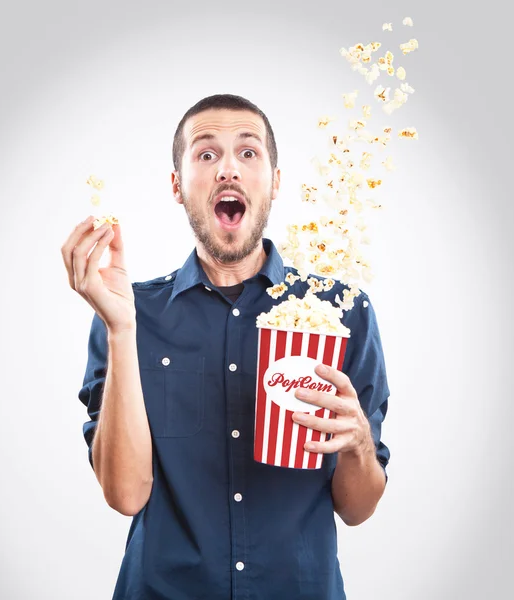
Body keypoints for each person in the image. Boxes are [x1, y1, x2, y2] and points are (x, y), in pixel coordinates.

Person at [61, 94, 391, 600]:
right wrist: (122, 329)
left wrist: (359, 444)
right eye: (207, 154)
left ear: (276, 182)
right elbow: (125, 495)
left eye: (249, 153)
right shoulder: (130, 312)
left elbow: (358, 508)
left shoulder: (339, 313)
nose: (228, 170)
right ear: (177, 185)